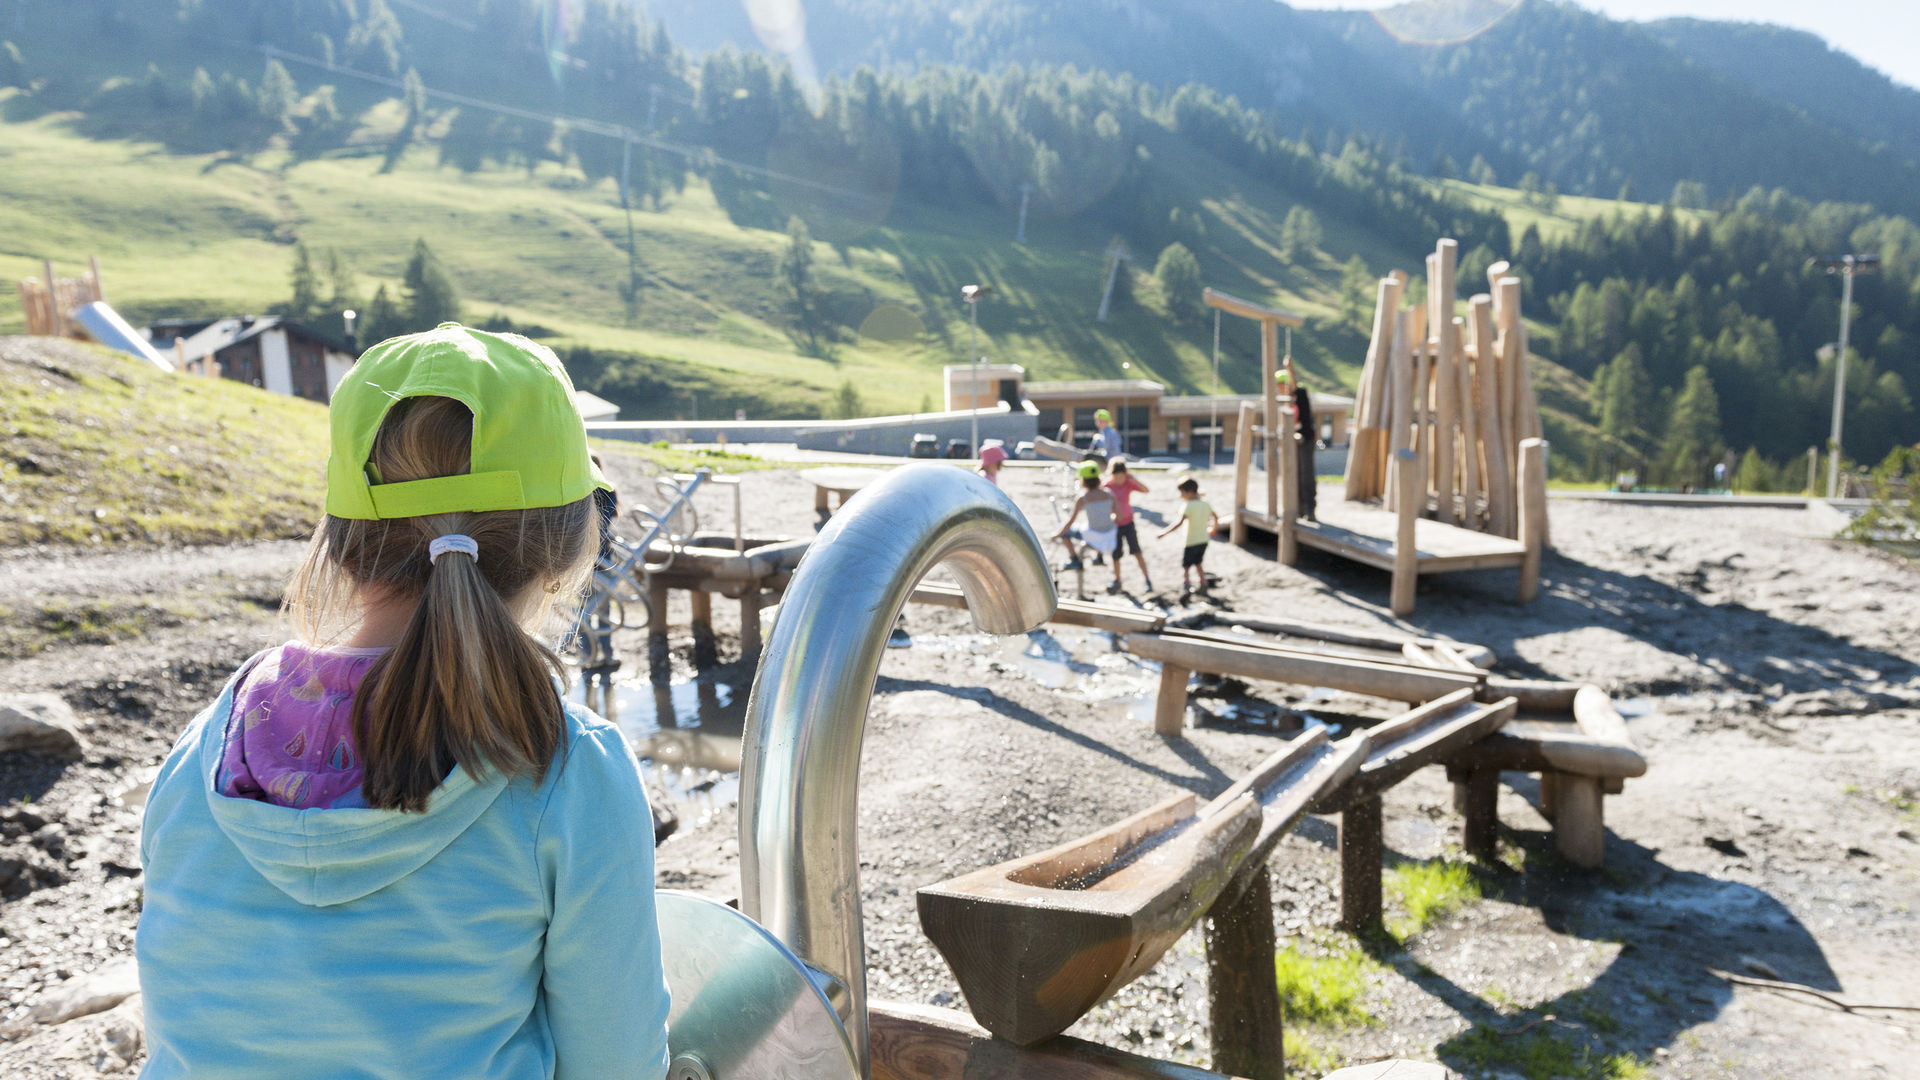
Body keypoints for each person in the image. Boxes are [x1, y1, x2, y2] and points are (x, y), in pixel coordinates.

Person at [136, 325, 671, 1079]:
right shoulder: (565, 768)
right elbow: (616, 1062)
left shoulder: (206, 748)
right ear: (563, 550)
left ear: (344, 544)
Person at [1159, 477, 1218, 597]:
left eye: (1182, 493)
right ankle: (1204, 583)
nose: (1181, 496)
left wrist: (1164, 532)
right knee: (1198, 563)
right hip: (1203, 540)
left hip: (1191, 541)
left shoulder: (1188, 506)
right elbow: (1215, 516)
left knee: (1185, 566)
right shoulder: (1205, 504)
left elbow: (1178, 523)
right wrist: (1213, 528)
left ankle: (1186, 585)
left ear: (1189, 492)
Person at [1054, 464, 1119, 573]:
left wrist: (1056, 535)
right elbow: (1118, 516)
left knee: (1064, 530)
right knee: (1094, 526)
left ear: (1083, 479)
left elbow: (1070, 522)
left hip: (1093, 536)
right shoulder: (1108, 494)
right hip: (1109, 536)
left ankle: (1074, 559)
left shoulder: (1083, 497)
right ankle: (1099, 555)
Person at [1104, 460, 1152, 593]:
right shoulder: (1107, 487)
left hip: (1129, 523)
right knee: (1116, 555)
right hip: (1115, 526)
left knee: (1137, 552)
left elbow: (1146, 490)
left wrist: (1133, 478)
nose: (1119, 480)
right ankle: (1117, 579)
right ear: (1111, 475)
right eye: (1116, 477)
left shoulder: (1128, 483)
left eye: (1122, 476)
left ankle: (1147, 578)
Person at [1278, 365, 1317, 522]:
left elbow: (1294, 384)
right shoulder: (1285, 402)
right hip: (1293, 442)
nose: (1280, 389)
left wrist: (1289, 368)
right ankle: (1298, 507)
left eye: (1282, 385)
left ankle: (1309, 508)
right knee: (1294, 474)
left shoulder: (1300, 394)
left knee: (1306, 474)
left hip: (1305, 440)